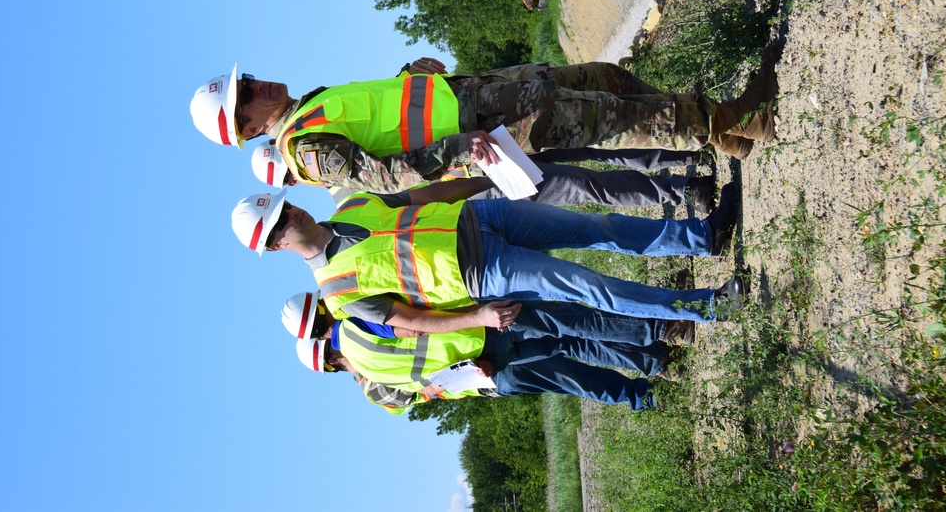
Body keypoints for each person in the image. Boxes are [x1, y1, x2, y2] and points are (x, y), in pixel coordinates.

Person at [191, 54, 779, 192]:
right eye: (249, 94)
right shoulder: (304, 150)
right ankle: (741, 120)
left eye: (249, 80)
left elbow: (390, 115)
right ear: (246, 128)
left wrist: (409, 73)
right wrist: (459, 151)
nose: (260, 84)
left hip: (479, 90)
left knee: (608, 80)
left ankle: (725, 135)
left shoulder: (312, 103)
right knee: (618, 118)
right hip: (490, 123)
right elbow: (389, 175)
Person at [230, 179, 746, 335]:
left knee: (596, 226)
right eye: (278, 224)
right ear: (274, 245)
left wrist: (485, 181)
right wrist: (477, 316)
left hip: (481, 217)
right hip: (483, 272)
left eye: (283, 207)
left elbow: (422, 199)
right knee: (594, 287)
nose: (289, 216)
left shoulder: (352, 205)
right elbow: (411, 321)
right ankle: (705, 307)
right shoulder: (337, 295)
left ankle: (704, 236)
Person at [293, 299, 679, 411]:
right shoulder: (357, 337)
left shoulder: (370, 382)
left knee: (565, 355)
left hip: (479, 366)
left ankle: (646, 376)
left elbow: (422, 391)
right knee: (566, 353)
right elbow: (413, 336)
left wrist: (466, 373)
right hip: (480, 353)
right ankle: (646, 375)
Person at [251, 137, 718, 211]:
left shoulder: (340, 146)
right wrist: (487, 184)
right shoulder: (348, 200)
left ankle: (681, 158)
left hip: (480, 144)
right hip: (485, 184)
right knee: (583, 184)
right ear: (292, 184)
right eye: (291, 176)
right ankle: (682, 192)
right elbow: (420, 201)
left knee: (586, 148)